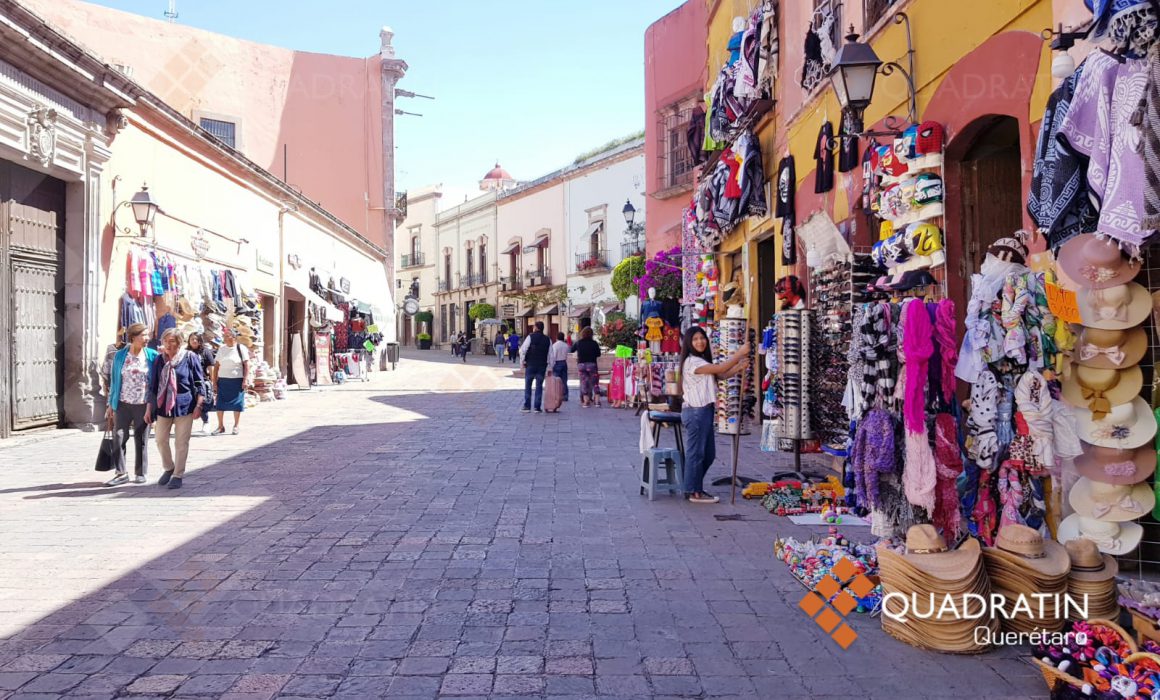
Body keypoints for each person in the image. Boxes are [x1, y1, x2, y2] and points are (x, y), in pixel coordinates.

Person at [679, 326, 748, 504]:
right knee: (697, 454)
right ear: (689, 343)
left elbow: (721, 375)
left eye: (702, 338)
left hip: (704, 410)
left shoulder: (700, 360)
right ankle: (694, 491)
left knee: (708, 454)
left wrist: (739, 368)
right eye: (695, 339)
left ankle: (692, 486)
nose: (700, 341)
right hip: (696, 411)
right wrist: (739, 353)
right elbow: (720, 368)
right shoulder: (693, 362)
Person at [148, 328, 206, 490]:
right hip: (163, 406)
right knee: (160, 439)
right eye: (165, 341)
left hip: (185, 405)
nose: (167, 344)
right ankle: (169, 467)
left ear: (180, 342)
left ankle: (177, 475)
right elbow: (153, 386)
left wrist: (199, 405)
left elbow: (199, 382)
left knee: (181, 442)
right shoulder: (159, 360)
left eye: (171, 341)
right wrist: (148, 408)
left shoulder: (190, 358)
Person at [103, 323, 158, 486]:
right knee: (118, 437)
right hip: (122, 403)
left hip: (143, 404)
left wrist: (152, 406)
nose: (147, 338)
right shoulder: (120, 356)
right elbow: (114, 381)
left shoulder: (152, 355)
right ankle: (121, 473)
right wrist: (110, 404)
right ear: (133, 337)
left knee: (141, 439)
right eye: (143, 335)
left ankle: (140, 472)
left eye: (148, 335)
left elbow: (155, 383)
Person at [212, 327, 248, 435]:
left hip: (237, 380)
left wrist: (245, 380)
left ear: (233, 337)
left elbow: (246, 365)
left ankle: (236, 426)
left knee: (237, 404)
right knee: (220, 404)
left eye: (227, 336)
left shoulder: (241, 348)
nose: (225, 338)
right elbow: (216, 366)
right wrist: (214, 382)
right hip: (223, 381)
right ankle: (220, 426)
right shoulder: (222, 349)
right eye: (224, 336)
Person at [187, 332, 216, 436]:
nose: (194, 341)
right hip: (189, 381)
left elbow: (211, 367)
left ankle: (206, 422)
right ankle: (186, 426)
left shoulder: (205, 352)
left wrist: (212, 381)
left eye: (196, 339)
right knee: (189, 403)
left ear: (199, 341)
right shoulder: (186, 352)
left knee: (202, 403)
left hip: (201, 381)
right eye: (192, 339)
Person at [519, 321, 550, 413]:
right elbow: (550, 354)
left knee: (528, 385)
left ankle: (527, 406)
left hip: (531, 364)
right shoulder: (548, 339)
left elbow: (523, 350)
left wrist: (522, 362)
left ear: (536, 328)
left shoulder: (530, 337)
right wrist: (550, 366)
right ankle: (537, 407)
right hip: (542, 365)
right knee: (539, 386)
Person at [572, 327, 602, 407]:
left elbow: (571, 349)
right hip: (592, 364)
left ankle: (586, 402)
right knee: (595, 383)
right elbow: (599, 354)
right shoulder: (594, 343)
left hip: (581, 365)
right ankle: (597, 401)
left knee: (584, 383)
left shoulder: (579, 343)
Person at [549, 332, 570, 403]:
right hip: (564, 362)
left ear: (556, 337)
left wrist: (551, 366)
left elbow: (553, 356)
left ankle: (556, 395)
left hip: (557, 363)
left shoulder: (555, 345)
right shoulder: (566, 345)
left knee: (556, 380)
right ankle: (565, 395)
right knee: (564, 380)